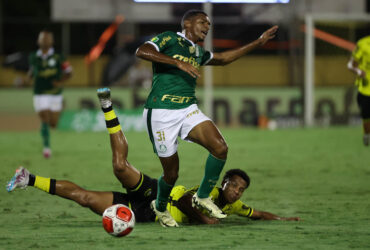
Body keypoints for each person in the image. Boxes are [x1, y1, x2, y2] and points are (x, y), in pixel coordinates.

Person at [6, 88, 300, 225]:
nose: (236, 191)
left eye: (240, 190)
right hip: (158, 193)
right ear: (222, 183)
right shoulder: (207, 193)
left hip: (143, 213)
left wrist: (284, 218)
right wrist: (205, 222)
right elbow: (186, 201)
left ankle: (27, 178)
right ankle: (108, 108)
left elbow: (258, 214)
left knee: (84, 198)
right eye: (233, 185)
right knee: (120, 167)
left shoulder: (234, 207)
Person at [135, 9, 278, 226]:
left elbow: (222, 58)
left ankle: (201, 196)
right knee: (171, 174)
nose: (207, 27)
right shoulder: (170, 38)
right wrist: (177, 63)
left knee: (220, 147)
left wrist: (257, 43)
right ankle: (161, 206)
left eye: (209, 25)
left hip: (187, 109)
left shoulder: (197, 51)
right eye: (203, 22)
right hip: (161, 112)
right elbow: (142, 51)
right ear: (188, 23)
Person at [25, 30, 72, 158]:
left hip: (55, 93)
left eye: (47, 38)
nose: (45, 41)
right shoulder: (33, 56)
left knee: (53, 124)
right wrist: (27, 79)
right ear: (38, 41)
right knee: (44, 118)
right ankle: (46, 148)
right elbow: (32, 71)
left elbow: (68, 72)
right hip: (39, 93)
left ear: (52, 41)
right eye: (42, 38)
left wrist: (60, 82)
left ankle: (60, 107)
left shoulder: (59, 57)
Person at [347, 35, 370, 146]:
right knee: (366, 117)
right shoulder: (363, 43)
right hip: (365, 88)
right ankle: (366, 135)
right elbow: (350, 65)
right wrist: (359, 72)